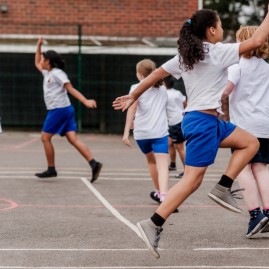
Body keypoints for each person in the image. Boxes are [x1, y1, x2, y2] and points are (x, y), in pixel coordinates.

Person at [113, 7, 269, 258]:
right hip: (203, 123)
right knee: (191, 182)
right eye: (219, 26)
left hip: (208, 122)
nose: (222, 31)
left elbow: (155, 74)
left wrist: (134, 95)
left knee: (250, 143)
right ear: (211, 30)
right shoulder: (216, 52)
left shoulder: (185, 56)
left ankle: (223, 186)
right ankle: (153, 223)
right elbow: (258, 40)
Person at [222, 25, 269, 238]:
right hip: (265, 124)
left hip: (244, 127)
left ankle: (255, 214)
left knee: (242, 169)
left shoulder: (237, 67)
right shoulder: (267, 68)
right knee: (261, 168)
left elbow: (225, 92)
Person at [34, 37, 102, 182]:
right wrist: (38, 46)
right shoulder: (47, 73)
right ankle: (94, 163)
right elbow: (36, 61)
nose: (41, 60)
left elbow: (70, 88)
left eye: (43, 59)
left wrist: (85, 100)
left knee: (45, 138)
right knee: (73, 139)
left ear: (48, 62)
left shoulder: (58, 74)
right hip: (64, 109)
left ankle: (51, 169)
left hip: (59, 110)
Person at [122, 59, 170, 205]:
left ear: (140, 75)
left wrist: (125, 132)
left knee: (151, 162)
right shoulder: (163, 89)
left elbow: (132, 109)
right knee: (163, 165)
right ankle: (164, 196)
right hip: (159, 132)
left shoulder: (135, 88)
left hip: (142, 133)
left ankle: (158, 191)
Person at [163, 75, 186, 178]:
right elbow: (185, 103)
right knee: (170, 143)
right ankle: (172, 164)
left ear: (164, 84)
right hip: (175, 121)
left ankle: (187, 170)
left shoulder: (164, 94)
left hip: (176, 122)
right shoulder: (177, 93)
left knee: (180, 147)